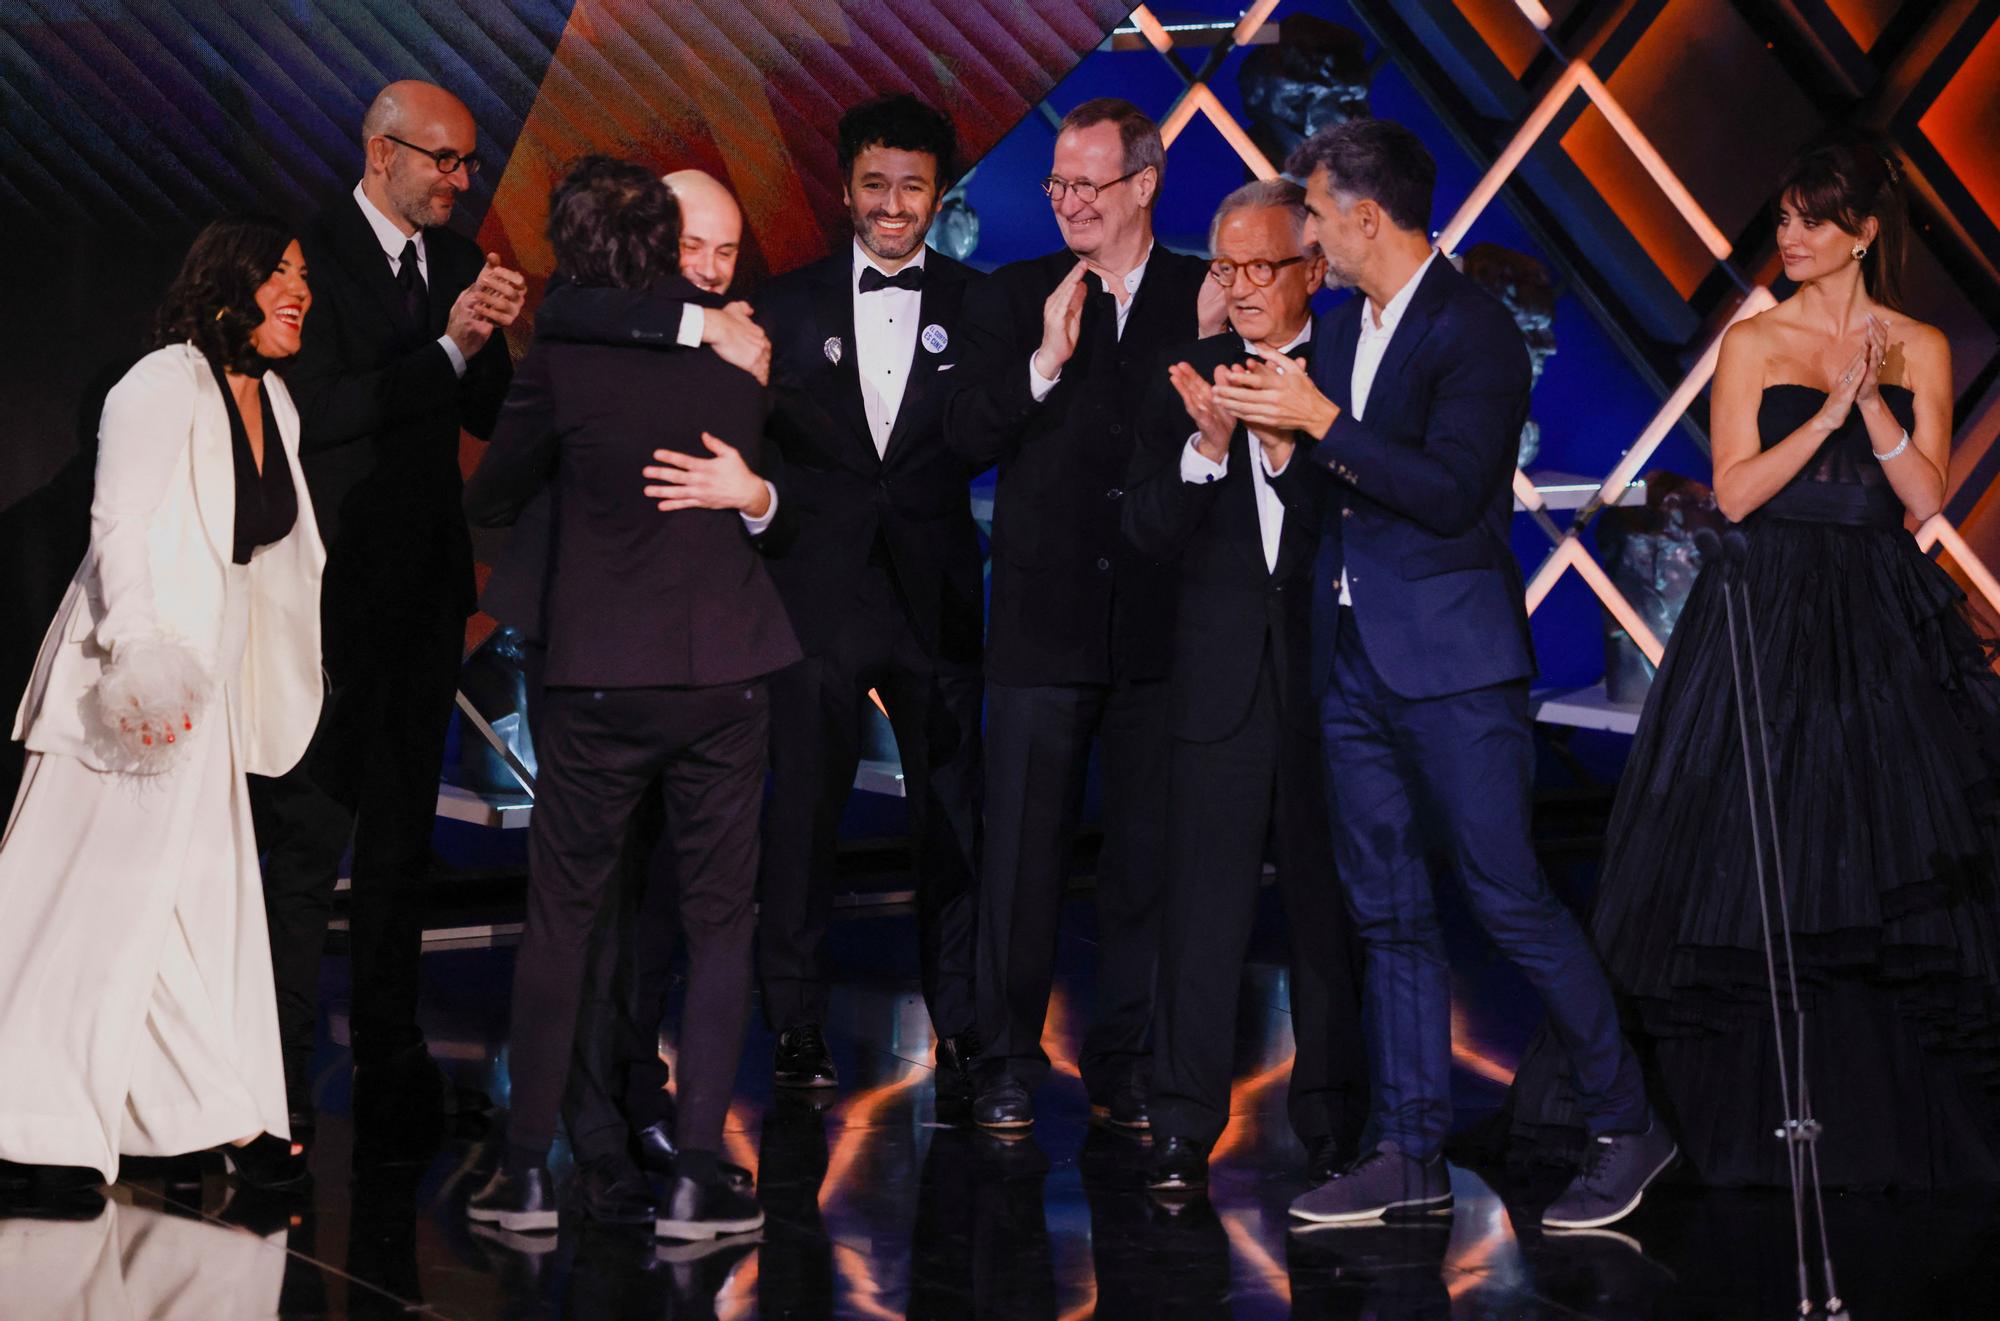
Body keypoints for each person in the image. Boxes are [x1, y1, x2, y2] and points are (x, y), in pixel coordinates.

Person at [1507, 136, 2000, 1190]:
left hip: (1877, 612)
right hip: (1762, 606)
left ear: (1861, 233)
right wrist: (1822, 410)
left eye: (1811, 220)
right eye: (1781, 218)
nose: (1788, 237)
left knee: (1880, 852)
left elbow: (1920, 499)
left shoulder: (1916, 343)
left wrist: (1867, 402)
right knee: (1746, 845)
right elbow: (1730, 494)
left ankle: (1886, 1122)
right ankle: (1713, 1118)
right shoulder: (1751, 341)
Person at [1210, 118, 1672, 1230]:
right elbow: (1349, 489)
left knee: (1506, 896)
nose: (1306, 234)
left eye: (1314, 214)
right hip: (1354, 658)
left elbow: (1453, 491)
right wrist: (1281, 443)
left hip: (1454, 669)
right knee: (1387, 912)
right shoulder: (1342, 328)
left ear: (1364, 218)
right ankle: (1407, 1149)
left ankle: (1627, 1124)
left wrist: (1315, 419)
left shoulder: (1476, 334)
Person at [463, 158, 796, 1239]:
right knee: (718, 926)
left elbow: (496, 491)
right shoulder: (737, 353)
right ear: (664, 247)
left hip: (599, 673)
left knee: (560, 921)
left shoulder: (562, 358)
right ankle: (698, 1176)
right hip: (723, 675)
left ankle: (524, 1177)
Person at [0, 216, 325, 1198]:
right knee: (81, 904)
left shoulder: (276, 400)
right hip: (133, 689)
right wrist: (140, 655)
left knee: (191, 907)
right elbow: (119, 526)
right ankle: (27, 1129)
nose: (300, 293)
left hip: (211, 688)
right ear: (228, 285)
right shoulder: (158, 385)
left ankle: (195, 1115)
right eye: (282, 276)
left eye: (304, 278)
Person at [251, 80, 523, 1135]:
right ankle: (270, 1066)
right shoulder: (304, 259)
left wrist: (493, 339)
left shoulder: (457, 263)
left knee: (405, 842)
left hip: (425, 593)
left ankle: (391, 1050)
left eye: (466, 163)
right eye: (442, 161)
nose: (460, 180)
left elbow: (486, 413)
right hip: (326, 598)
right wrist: (448, 348)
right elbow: (318, 413)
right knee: (309, 839)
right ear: (381, 155)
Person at [945, 97, 1221, 1134]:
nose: (1065, 201)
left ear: (1142, 186)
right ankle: (1006, 1055)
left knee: (1145, 860)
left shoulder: (1202, 295)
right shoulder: (1013, 297)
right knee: (1017, 857)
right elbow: (963, 435)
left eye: (1085, 185)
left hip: (1161, 626)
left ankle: (1125, 1058)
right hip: (1038, 626)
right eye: (1057, 184)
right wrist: (1041, 363)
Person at [1122, 179, 1367, 1196]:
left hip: (1329, 688)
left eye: (1258, 266)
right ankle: (1180, 1122)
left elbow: (1377, 505)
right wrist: (1204, 452)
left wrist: (1285, 452)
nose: (1238, 287)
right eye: (1223, 267)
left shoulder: (1351, 372)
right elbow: (1141, 534)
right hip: (1214, 687)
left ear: (1311, 268)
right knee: (1198, 914)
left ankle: (1336, 1125)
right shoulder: (1185, 376)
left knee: (1327, 917)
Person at [746, 93, 985, 1097]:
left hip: (934, 598)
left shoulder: (986, 308)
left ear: (937, 194)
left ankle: (967, 1021)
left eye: (913, 187)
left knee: (956, 822)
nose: (894, 206)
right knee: (800, 820)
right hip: (815, 596)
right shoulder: (781, 306)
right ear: (845, 189)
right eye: (876, 185)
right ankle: (794, 1023)